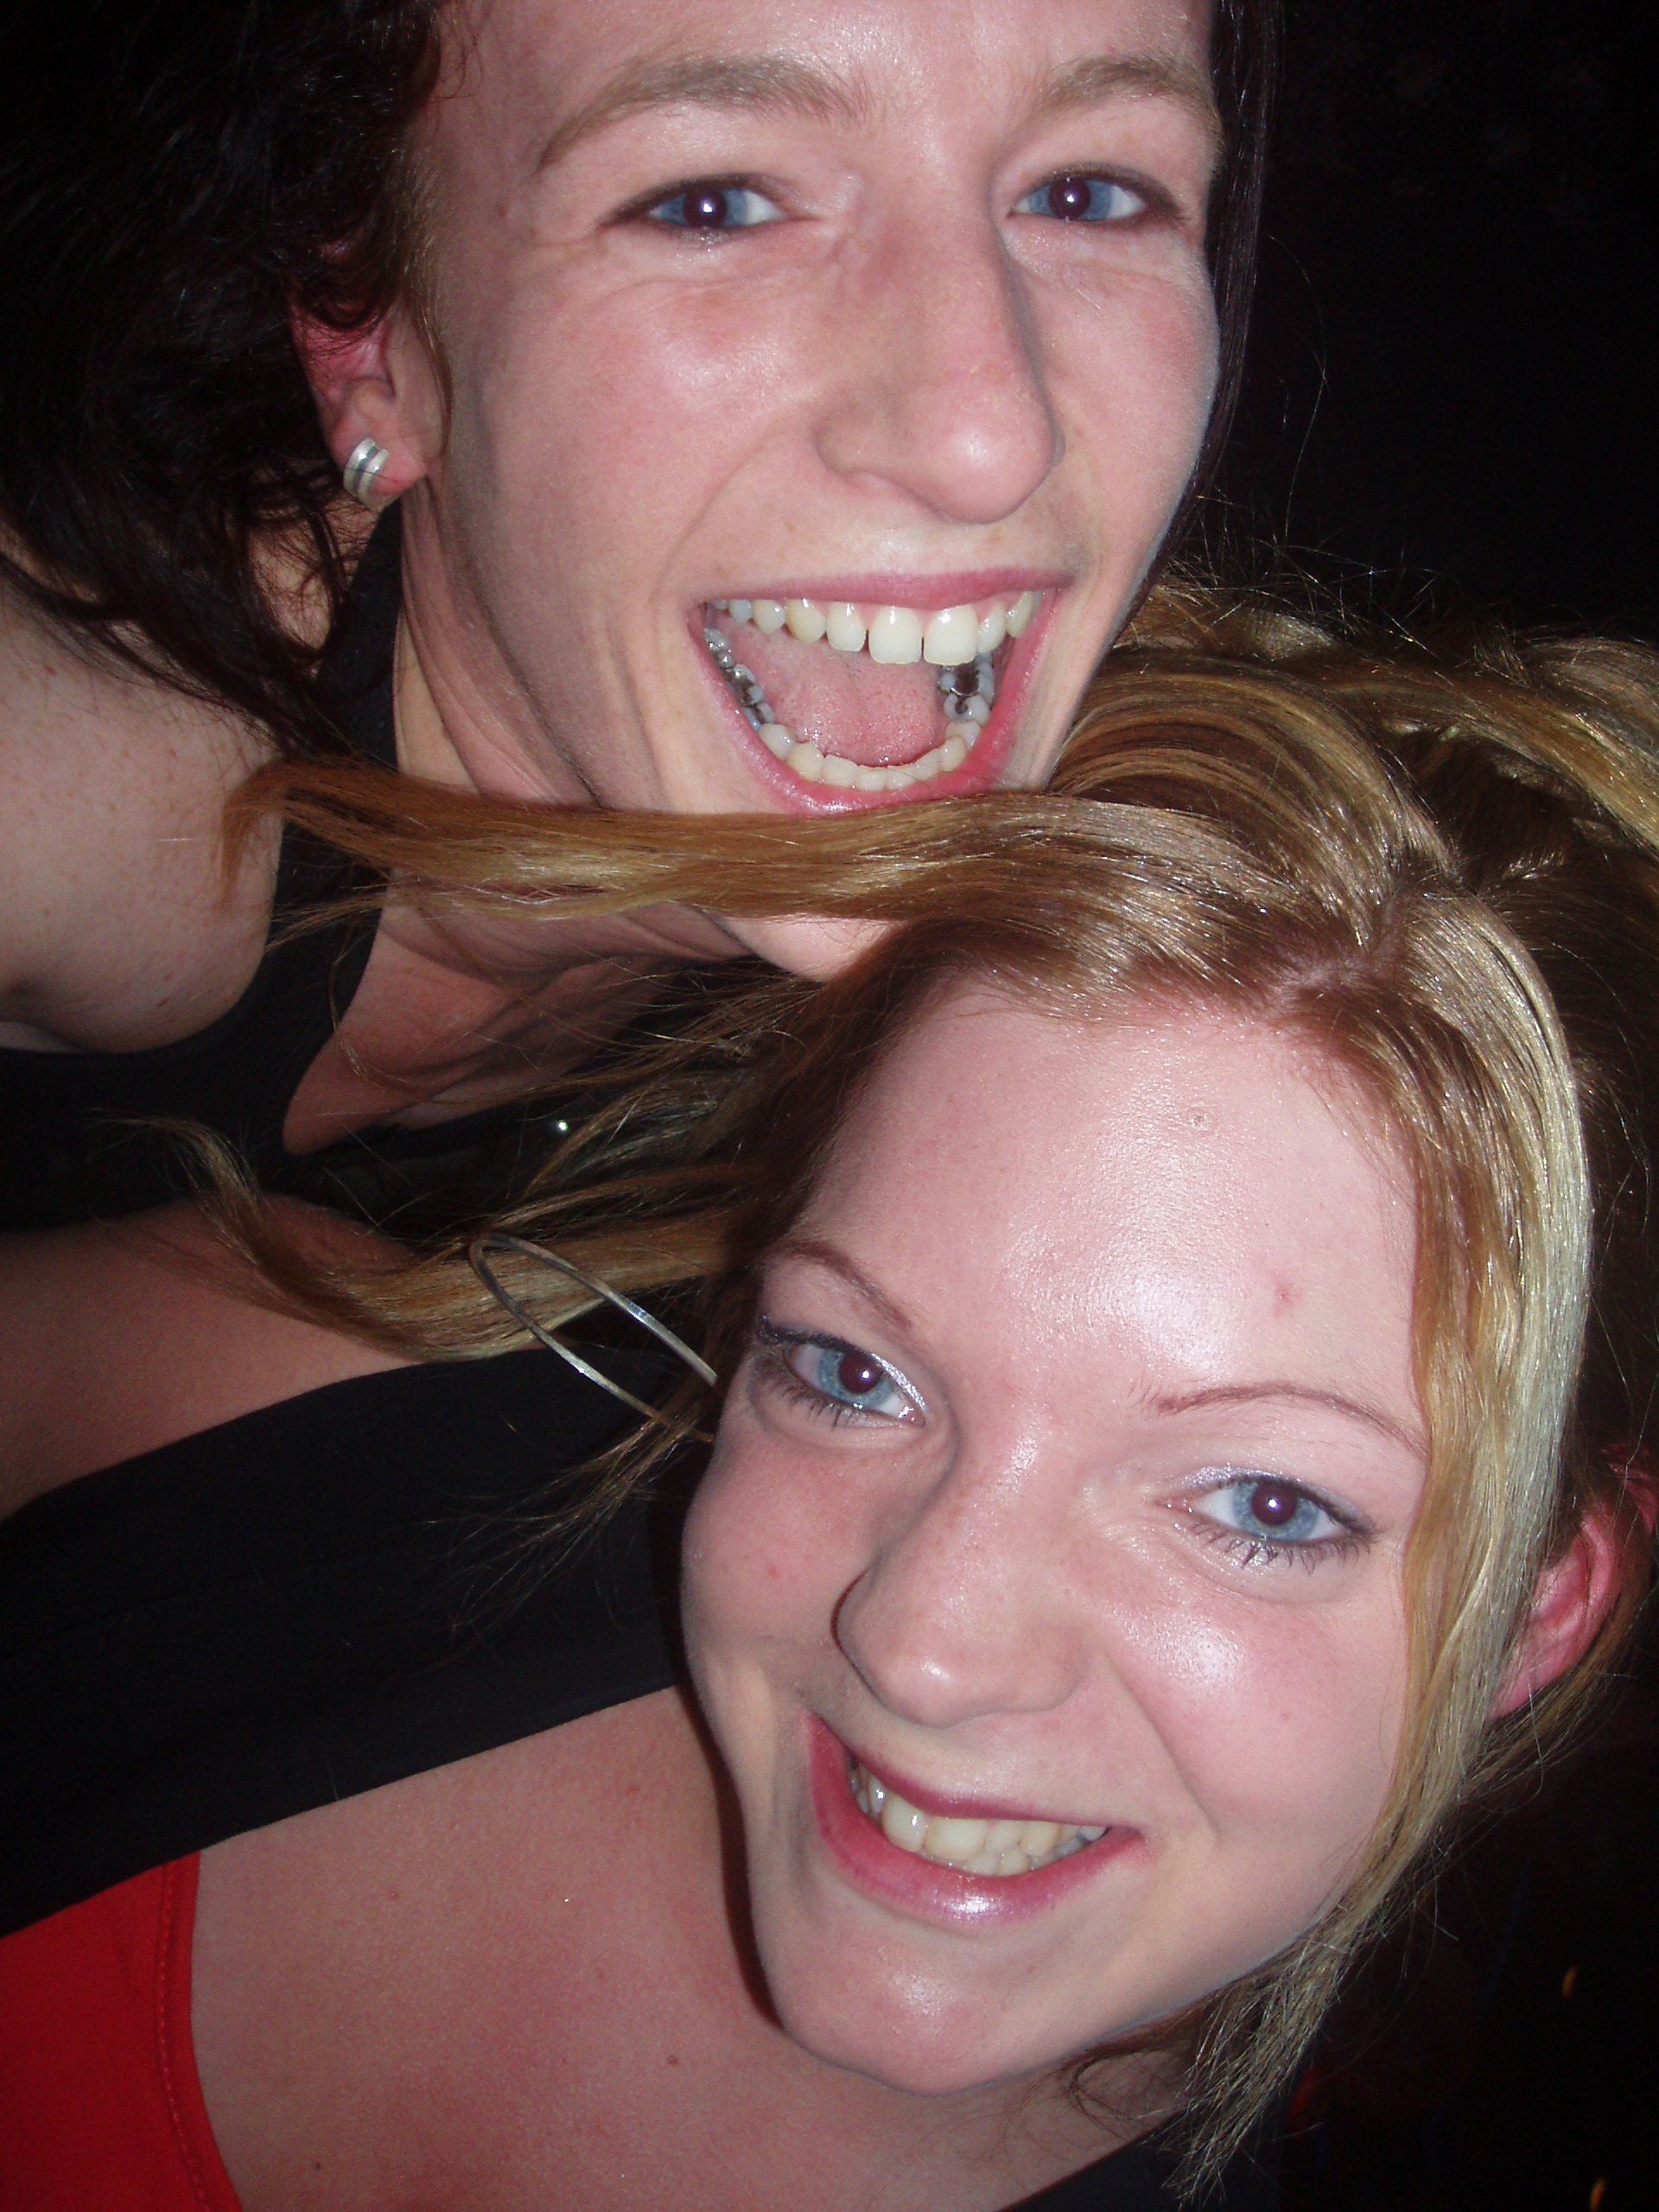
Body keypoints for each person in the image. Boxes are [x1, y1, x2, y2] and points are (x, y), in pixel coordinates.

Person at [3, 609, 1654, 2209]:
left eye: (1260, 1504)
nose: (923, 1645)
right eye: (855, 1372)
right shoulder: (239, 1433)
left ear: (1538, 1605)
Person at [0, 0, 1277, 1230]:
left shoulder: (1200, 866)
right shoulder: (71, 772)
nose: (986, 442)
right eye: (712, 204)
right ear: (373, 340)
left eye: (1088, 194)